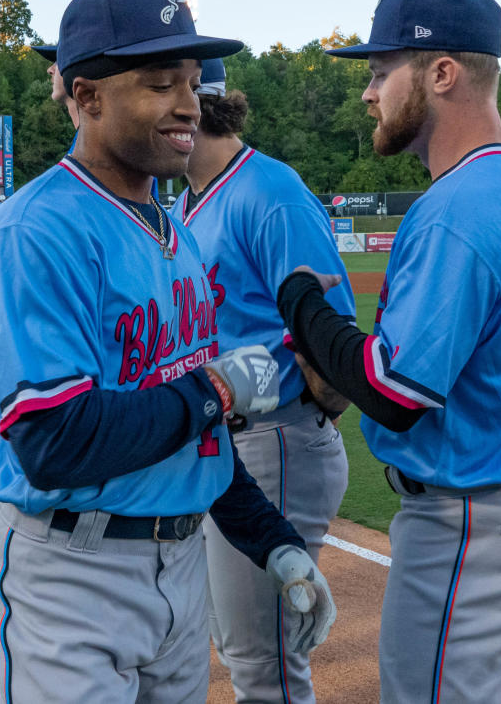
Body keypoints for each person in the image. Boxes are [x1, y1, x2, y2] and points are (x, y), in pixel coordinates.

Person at [0, 0, 335, 704]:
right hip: (70, 572)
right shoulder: (36, 229)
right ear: (88, 95)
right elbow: (53, 442)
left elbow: (196, 439)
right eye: (160, 82)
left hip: (179, 565)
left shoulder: (175, 231)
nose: (188, 105)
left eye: (193, 83)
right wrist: (219, 388)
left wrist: (274, 541)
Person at [276, 0, 501, 704]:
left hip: (475, 524)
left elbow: (394, 393)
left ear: (442, 73)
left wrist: (303, 306)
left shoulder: (459, 206)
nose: (369, 93)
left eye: (381, 71)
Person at [178, 57, 356, 704]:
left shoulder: (270, 191)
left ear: (194, 102)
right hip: (222, 441)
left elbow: (331, 328)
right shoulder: (185, 202)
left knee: (262, 664)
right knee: (236, 646)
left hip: (272, 438)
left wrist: (307, 413)